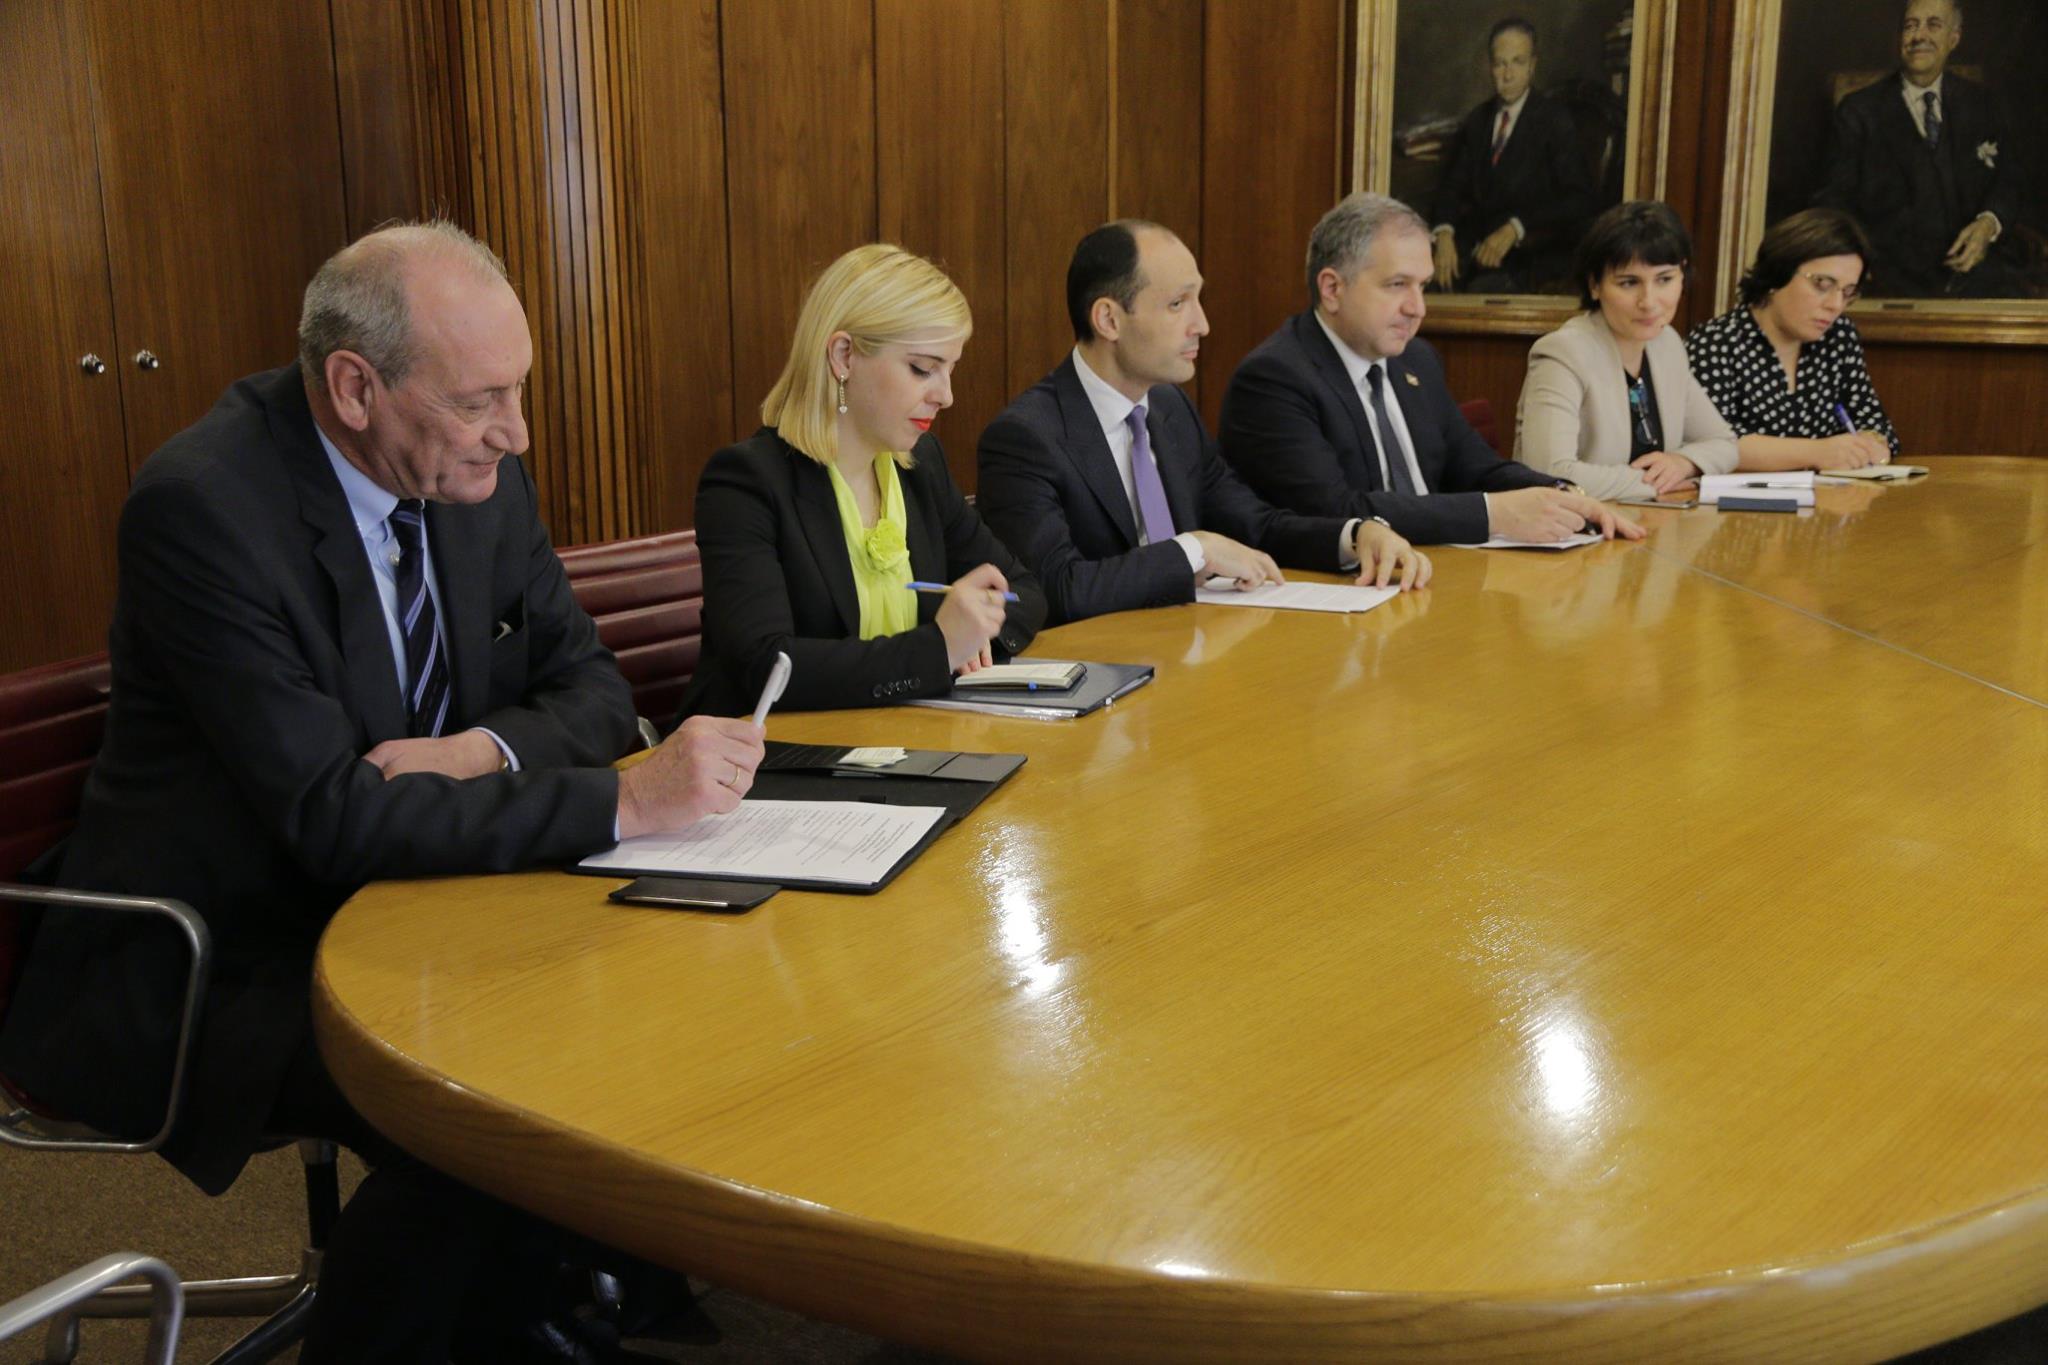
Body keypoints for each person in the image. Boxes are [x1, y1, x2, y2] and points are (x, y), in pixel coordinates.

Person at [0, 221, 766, 1363]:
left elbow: (592, 689)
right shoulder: (205, 509)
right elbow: (336, 820)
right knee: (494, 1110)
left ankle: (544, 1305)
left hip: (429, 899)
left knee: (653, 1003)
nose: (515, 431)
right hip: (226, 946)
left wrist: (479, 751)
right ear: (356, 389)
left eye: (518, 390)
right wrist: (627, 804)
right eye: (480, 400)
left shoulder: (473, 474)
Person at [976, 220, 1429, 626]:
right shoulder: (1026, 438)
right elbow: (1054, 590)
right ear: (1109, 319)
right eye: (1178, 304)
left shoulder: (1169, 408)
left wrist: (1355, 535)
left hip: (1185, 647)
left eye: (1198, 299)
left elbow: (1255, 524)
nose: (1203, 324)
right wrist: (1194, 550)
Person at [680, 245, 1045, 717]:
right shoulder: (746, 482)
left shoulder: (921, 465)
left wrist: (975, 636)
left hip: (907, 737)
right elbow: (767, 666)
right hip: (776, 750)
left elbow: (1023, 591)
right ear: (844, 355)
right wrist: (938, 649)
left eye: (950, 369)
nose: (947, 396)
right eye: (923, 368)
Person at [1220, 192, 1639, 546]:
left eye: (1423, 286)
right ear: (1332, 288)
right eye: (1397, 285)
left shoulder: (1416, 359)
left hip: (1434, 571)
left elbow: (1474, 465)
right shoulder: (1275, 379)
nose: (1417, 308)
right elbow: (1337, 512)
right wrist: (1493, 514)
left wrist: (1561, 493)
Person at [1515, 201, 1738, 502]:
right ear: (1594, 285)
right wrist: (1655, 484)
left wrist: (1683, 463)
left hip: (1651, 520)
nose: (1649, 302)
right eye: (1629, 283)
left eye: (1664, 279)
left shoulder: (1667, 344)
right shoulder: (1564, 353)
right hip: (1575, 525)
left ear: (1682, 275)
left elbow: (1724, 443)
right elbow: (1550, 473)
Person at [1814, 0, 2022, 297]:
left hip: (1977, 274)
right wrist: (1855, 258)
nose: (1918, 36)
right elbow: (1833, 199)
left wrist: (1989, 222)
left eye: (1933, 25)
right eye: (1910, 26)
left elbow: (2009, 181)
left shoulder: (1982, 104)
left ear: (1954, 38)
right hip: (1890, 278)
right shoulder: (1859, 111)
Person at [1687, 208, 1899, 471]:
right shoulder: (1714, 344)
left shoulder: (1838, 336)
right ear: (1778, 274)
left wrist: (1872, 442)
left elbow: (1873, 421)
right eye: (1822, 284)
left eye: (1848, 292)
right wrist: (1817, 452)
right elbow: (1711, 445)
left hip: (1832, 493)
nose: (1835, 304)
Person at [1428, 17, 1598, 294]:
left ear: (1532, 66)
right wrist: (1444, 232)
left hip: (1529, 256)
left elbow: (1579, 199)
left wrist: (1516, 227)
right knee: (1425, 285)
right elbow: (1450, 187)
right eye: (1500, 63)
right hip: (1472, 251)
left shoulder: (1554, 120)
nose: (1507, 75)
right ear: (1490, 67)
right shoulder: (1478, 120)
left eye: (1517, 62)